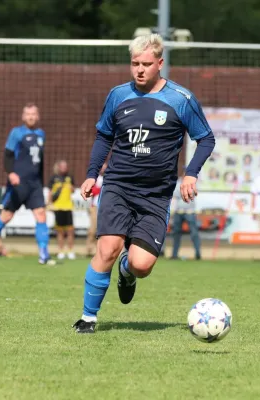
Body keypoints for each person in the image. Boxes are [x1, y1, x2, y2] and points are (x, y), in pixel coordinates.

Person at [72, 34, 215, 334]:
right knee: (107, 248)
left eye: (146, 64)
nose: (139, 70)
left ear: (160, 64)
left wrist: (190, 173)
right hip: (118, 187)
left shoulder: (181, 99)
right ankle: (88, 317)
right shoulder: (117, 96)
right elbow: (103, 136)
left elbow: (205, 138)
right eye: (135, 63)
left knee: (142, 265)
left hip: (156, 195)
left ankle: (127, 272)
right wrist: (91, 173)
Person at [0, 103, 54, 265]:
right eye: (28, 114)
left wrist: (41, 184)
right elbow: (7, 155)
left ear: (38, 116)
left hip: (35, 185)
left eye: (33, 114)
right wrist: (11, 173)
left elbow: (39, 163)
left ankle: (44, 254)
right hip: (18, 183)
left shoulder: (41, 134)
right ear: (23, 116)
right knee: (6, 216)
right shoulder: (17, 133)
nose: (31, 117)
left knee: (41, 215)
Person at [48, 160, 76, 260]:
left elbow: (73, 191)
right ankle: (61, 250)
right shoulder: (53, 178)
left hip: (68, 207)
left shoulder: (70, 177)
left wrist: (70, 187)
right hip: (58, 207)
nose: (64, 168)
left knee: (70, 230)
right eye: (62, 166)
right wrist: (49, 204)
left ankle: (70, 250)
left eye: (66, 166)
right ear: (58, 167)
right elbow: (50, 192)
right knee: (59, 231)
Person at [170, 174, 201, 260]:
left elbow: (192, 193)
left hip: (190, 212)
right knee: (176, 233)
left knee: (194, 233)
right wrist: (184, 190)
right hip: (178, 211)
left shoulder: (193, 181)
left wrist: (182, 190)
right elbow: (175, 192)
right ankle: (174, 254)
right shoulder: (178, 182)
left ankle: (198, 254)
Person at [86, 162, 106, 257]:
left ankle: (100, 250)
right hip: (95, 206)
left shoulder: (109, 179)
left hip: (105, 206)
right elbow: (92, 191)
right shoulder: (95, 179)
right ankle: (90, 249)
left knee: (102, 230)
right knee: (92, 229)